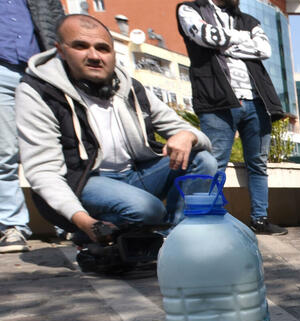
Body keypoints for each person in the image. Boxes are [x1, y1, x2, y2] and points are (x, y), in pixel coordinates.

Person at [15, 15, 216, 245]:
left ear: (112, 53)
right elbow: (44, 173)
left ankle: (175, 239)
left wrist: (187, 135)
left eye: (102, 48)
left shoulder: (130, 88)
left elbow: (198, 136)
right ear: (60, 50)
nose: (94, 56)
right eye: (81, 46)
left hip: (135, 175)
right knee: (147, 209)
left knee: (203, 160)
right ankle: (94, 232)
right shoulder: (39, 91)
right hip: (85, 181)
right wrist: (84, 221)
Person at [177, 0, 287, 236]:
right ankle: (205, 221)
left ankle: (260, 219)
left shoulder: (249, 20)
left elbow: (264, 49)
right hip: (217, 102)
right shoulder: (189, 10)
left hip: (257, 102)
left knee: (258, 164)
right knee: (213, 163)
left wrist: (224, 45)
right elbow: (204, 37)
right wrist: (240, 41)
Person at [0, 0, 64, 254]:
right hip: (1, 70)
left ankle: (70, 222)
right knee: (5, 153)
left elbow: (57, 18)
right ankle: (12, 226)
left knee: (58, 149)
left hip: (40, 69)